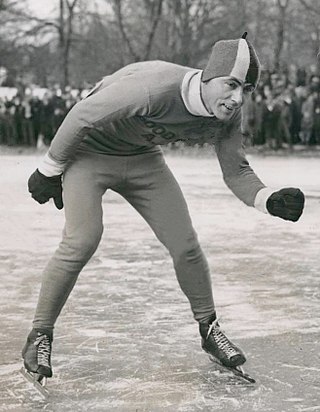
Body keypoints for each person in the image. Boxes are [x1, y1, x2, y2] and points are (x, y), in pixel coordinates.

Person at [22, 33, 305, 380]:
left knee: (185, 243)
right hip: (90, 154)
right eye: (231, 84)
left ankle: (209, 329)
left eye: (246, 89)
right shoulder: (153, 86)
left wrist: (267, 198)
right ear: (208, 75)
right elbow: (81, 115)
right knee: (82, 239)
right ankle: (39, 335)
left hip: (143, 159)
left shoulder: (227, 115)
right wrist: (49, 170)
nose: (236, 98)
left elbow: (237, 170)